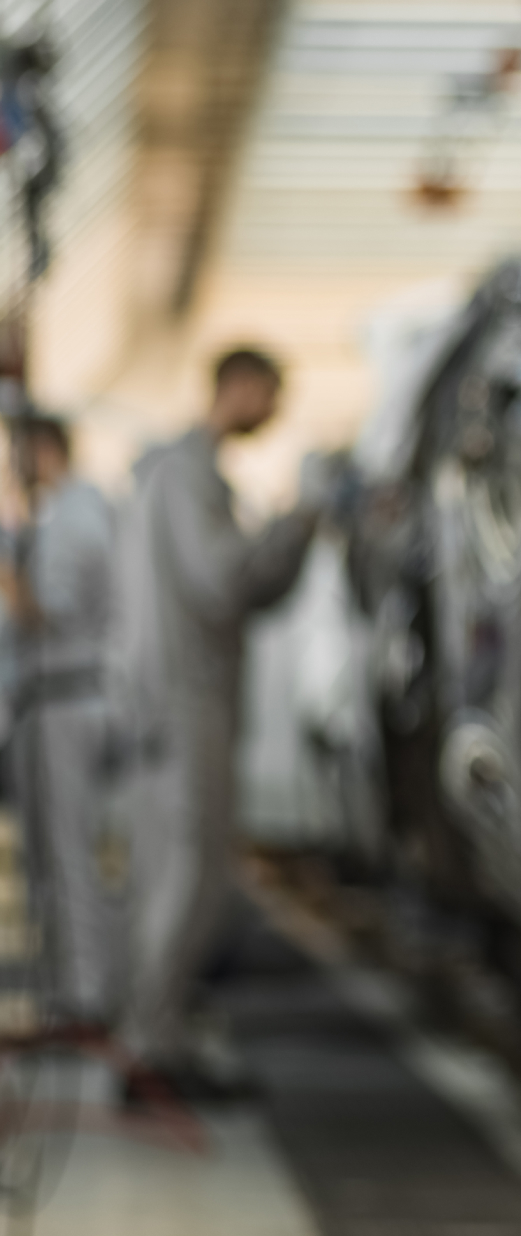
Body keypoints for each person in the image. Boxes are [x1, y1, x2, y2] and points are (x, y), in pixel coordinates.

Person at [114, 347, 322, 1100]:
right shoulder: (188, 472)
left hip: (178, 698)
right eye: (271, 394)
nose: (274, 412)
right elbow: (222, 580)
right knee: (188, 876)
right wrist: (297, 522)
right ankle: (152, 1049)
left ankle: (157, 1036)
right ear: (238, 386)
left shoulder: (176, 471)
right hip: (184, 698)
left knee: (178, 875)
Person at [0, 414, 117, 1033]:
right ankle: (70, 992)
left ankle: (85, 998)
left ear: (42, 450)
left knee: (69, 856)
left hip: (66, 701)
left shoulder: (74, 520)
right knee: (50, 857)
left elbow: (49, 613)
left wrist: (7, 576)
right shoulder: (58, 515)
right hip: (48, 702)